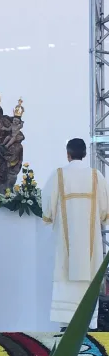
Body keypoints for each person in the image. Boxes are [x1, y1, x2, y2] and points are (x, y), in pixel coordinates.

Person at [42, 138, 109, 331]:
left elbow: (47, 206)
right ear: (85, 154)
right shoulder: (96, 176)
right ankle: (87, 323)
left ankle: (66, 324)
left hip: (66, 244)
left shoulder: (59, 175)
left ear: (68, 154)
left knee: (65, 277)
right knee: (88, 278)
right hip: (91, 246)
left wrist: (49, 217)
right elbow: (105, 211)